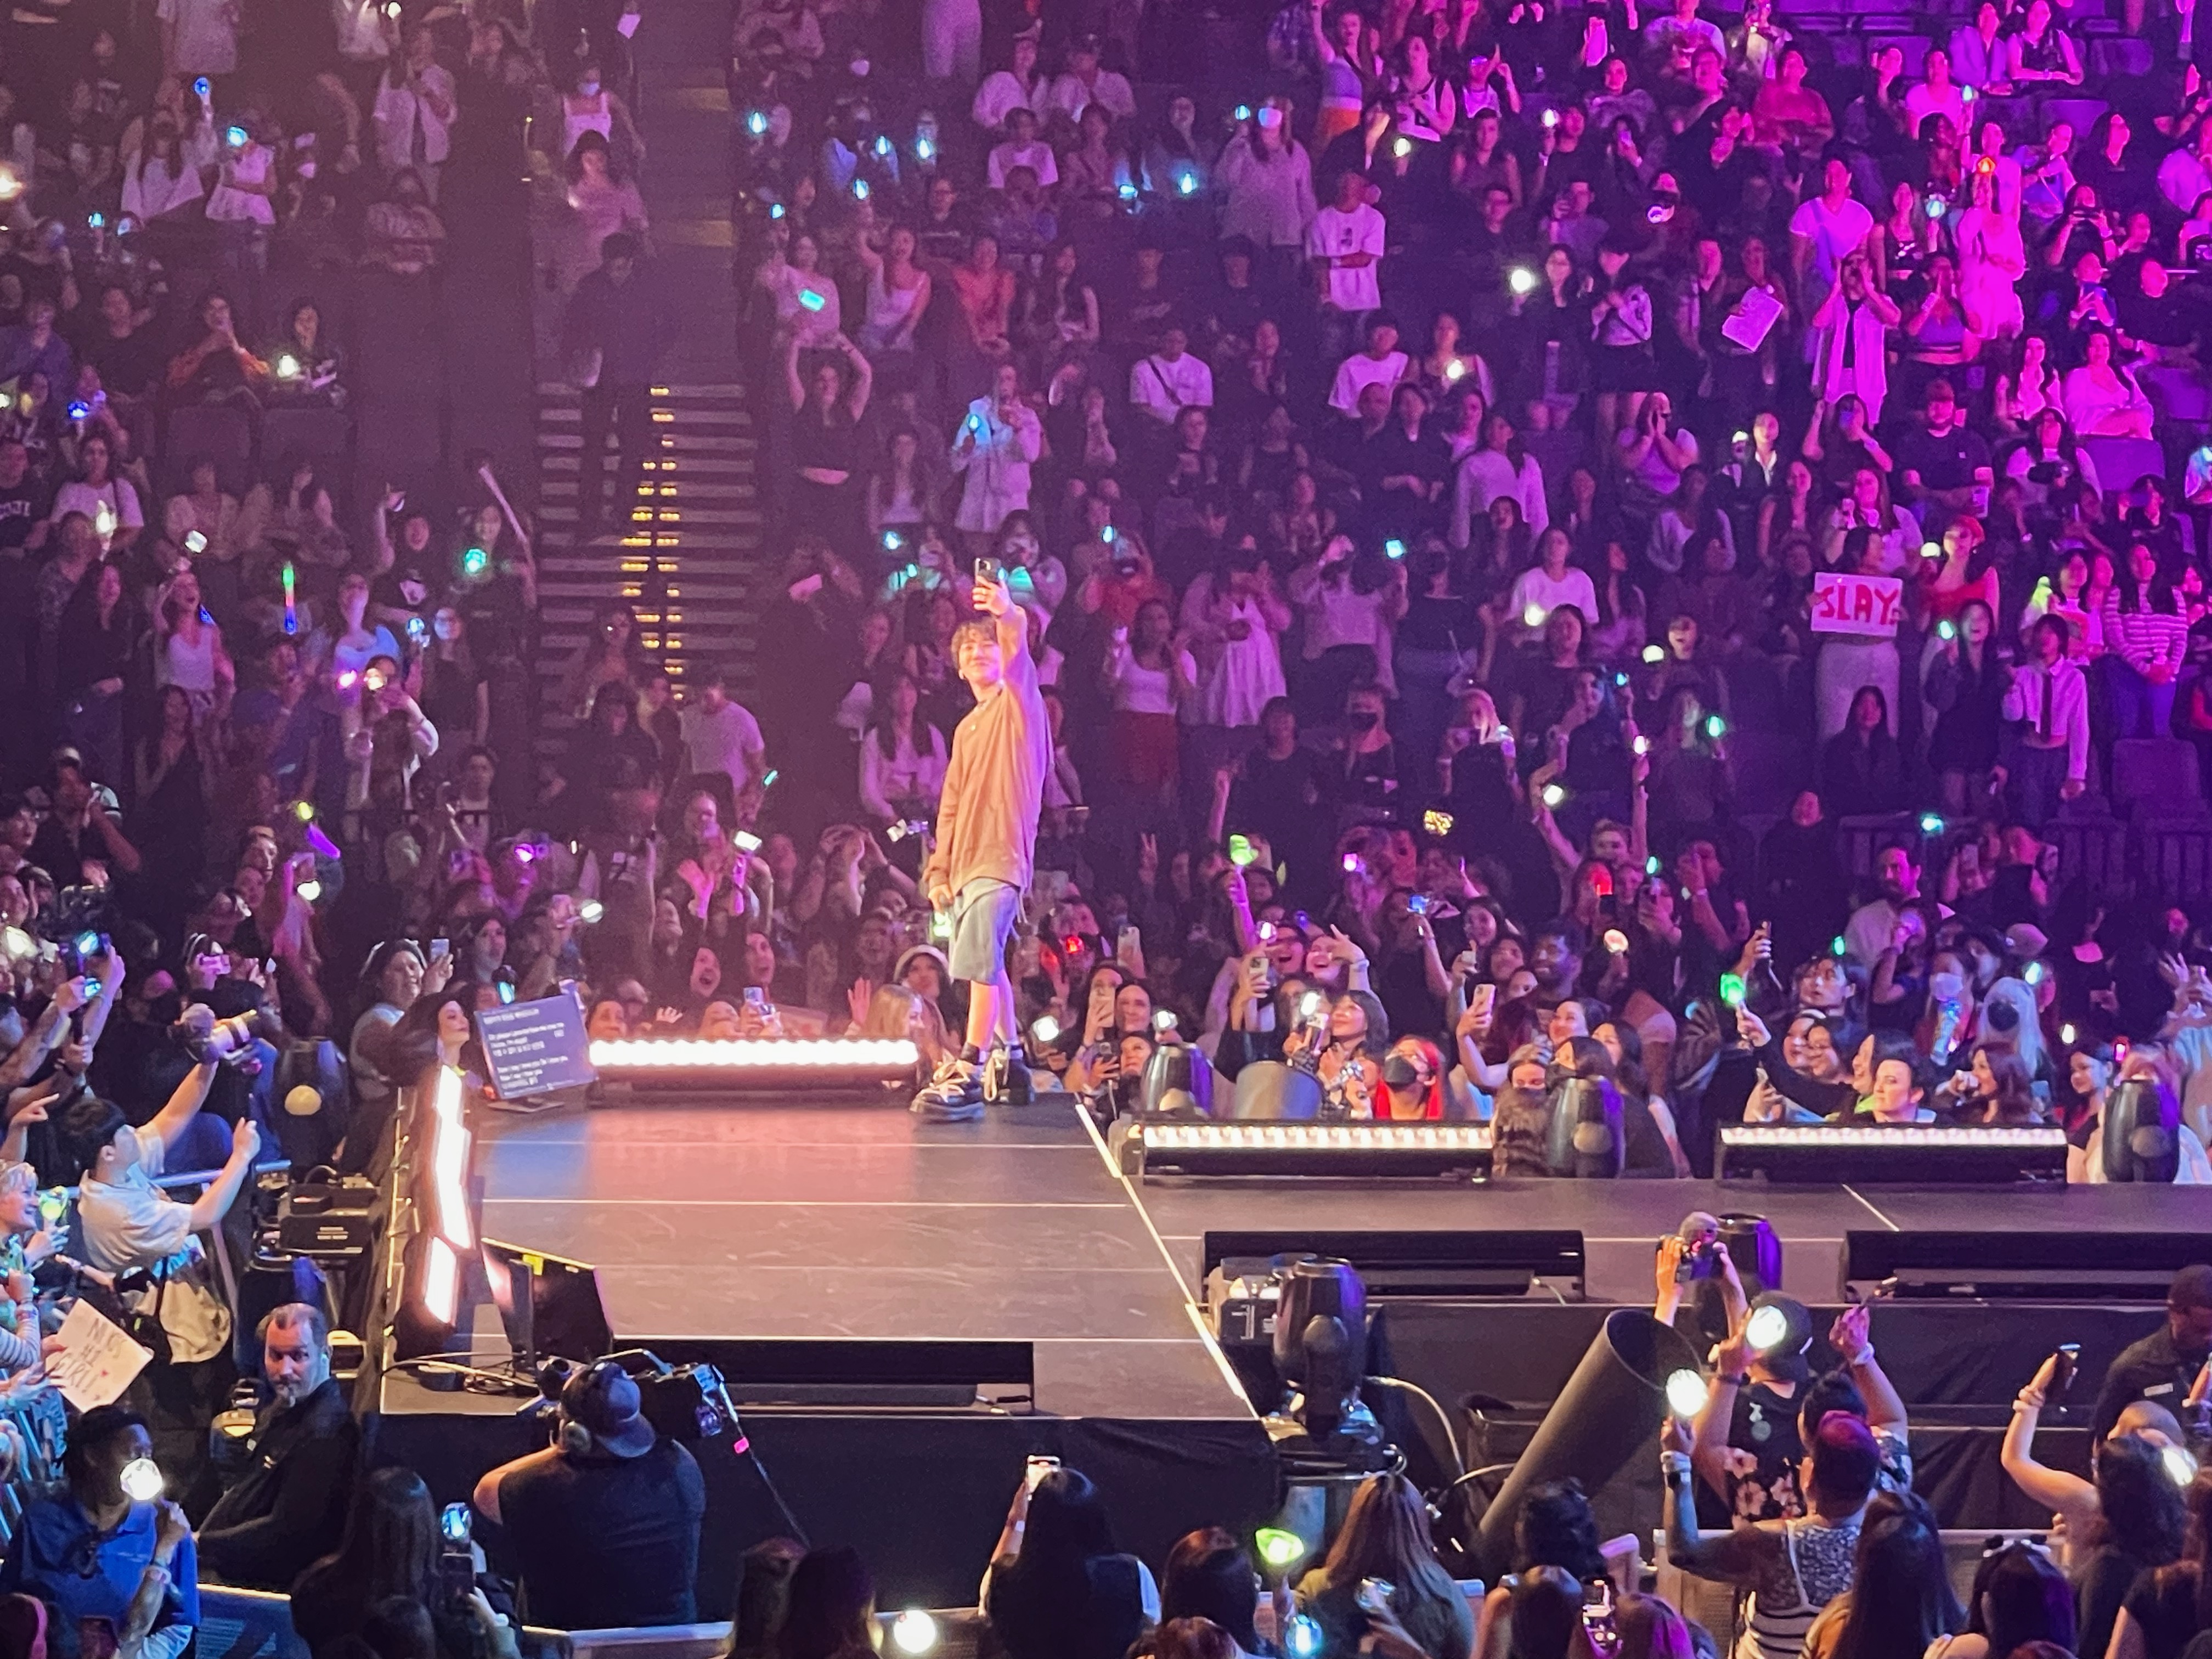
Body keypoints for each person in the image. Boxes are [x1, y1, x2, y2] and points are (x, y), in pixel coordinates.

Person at [910, 572, 1049, 1119]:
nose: (977, 651)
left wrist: (1006, 612)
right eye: (967, 647)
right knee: (985, 956)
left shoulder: (1019, 706)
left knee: (976, 954)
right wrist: (939, 871)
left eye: (985, 644)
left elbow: (1017, 659)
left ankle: (970, 1062)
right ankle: (1011, 1059)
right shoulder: (967, 728)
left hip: (1001, 853)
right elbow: (951, 804)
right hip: (968, 860)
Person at [470, 1359, 706, 1629]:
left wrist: (559, 1450)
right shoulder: (682, 1466)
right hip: (669, 1644)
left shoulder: (542, 1486)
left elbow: (485, 1491)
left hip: (567, 1649)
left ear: (574, 1435)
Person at [1663, 1412, 1884, 1659]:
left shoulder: (1775, 1544)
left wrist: (1677, 1460)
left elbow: (1684, 1551)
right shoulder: (1886, 1548)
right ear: (1872, 1482)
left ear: (1810, 1479)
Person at [1, 1407, 198, 1659]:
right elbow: (12, 1606)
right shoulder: (41, 1521)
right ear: (93, 1456)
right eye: (133, 1454)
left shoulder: (168, 1527)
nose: (144, 1465)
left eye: (148, 1454)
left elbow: (180, 1624)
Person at [196, 1304, 360, 1590]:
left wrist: (203, 1545)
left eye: (299, 1356)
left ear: (326, 1356)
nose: (284, 1369)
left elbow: (287, 1535)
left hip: (257, 1587)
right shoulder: (285, 1407)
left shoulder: (325, 1435)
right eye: (275, 1355)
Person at [562, 232, 672, 541]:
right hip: (600, 379)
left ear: (631, 263)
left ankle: (622, 514)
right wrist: (580, 359)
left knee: (633, 449)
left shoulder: (646, 290)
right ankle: (589, 518)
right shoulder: (590, 287)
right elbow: (571, 328)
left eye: (622, 267)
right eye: (612, 266)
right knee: (593, 450)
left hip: (635, 378)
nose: (616, 272)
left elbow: (669, 324)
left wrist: (650, 356)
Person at [1294, 1472, 1475, 1659]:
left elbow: (1293, 1647)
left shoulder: (1315, 1590)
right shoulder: (1445, 1596)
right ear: (1418, 1525)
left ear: (1354, 1522)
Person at [984, 1466, 1156, 1659]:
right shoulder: (1133, 1573)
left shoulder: (1002, 1578)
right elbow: (1153, 1631)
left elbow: (986, 1605)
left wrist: (1016, 1520)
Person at [2091, 1263, 2212, 1440]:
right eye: (2201, 1329)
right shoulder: (2134, 1365)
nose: (2210, 1337)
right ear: (2173, 1312)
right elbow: (2101, 1441)